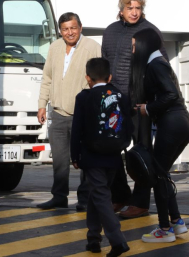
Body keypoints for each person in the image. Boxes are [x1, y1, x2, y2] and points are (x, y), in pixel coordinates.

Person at [101, 0, 168, 218]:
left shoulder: (151, 32)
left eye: (138, 8)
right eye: (130, 8)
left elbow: (161, 66)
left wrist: (151, 101)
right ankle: (120, 196)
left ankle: (140, 203)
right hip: (114, 101)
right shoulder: (110, 31)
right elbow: (104, 64)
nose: (134, 12)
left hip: (141, 104)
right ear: (121, 10)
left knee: (142, 153)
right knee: (110, 149)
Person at [130, 28, 189, 243]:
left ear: (144, 45)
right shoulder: (157, 63)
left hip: (172, 123)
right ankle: (176, 222)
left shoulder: (156, 64)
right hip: (180, 122)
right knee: (162, 173)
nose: (132, 50)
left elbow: (171, 94)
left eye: (133, 45)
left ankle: (165, 229)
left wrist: (148, 108)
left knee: (157, 176)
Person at [37, 12, 100, 211]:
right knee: (59, 160)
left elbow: (99, 79)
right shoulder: (54, 47)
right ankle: (59, 197)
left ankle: (84, 199)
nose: (69, 32)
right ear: (60, 31)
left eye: (73, 28)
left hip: (82, 113)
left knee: (84, 159)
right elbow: (47, 78)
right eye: (65, 29)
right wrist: (41, 104)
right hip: (57, 112)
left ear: (80, 27)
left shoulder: (92, 47)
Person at [71, 58, 130, 257]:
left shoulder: (84, 97)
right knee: (97, 196)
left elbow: (76, 129)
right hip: (114, 156)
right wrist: (123, 145)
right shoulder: (121, 95)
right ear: (110, 76)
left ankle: (118, 241)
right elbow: (128, 125)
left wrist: (74, 155)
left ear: (87, 77)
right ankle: (93, 239)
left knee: (101, 197)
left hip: (91, 156)